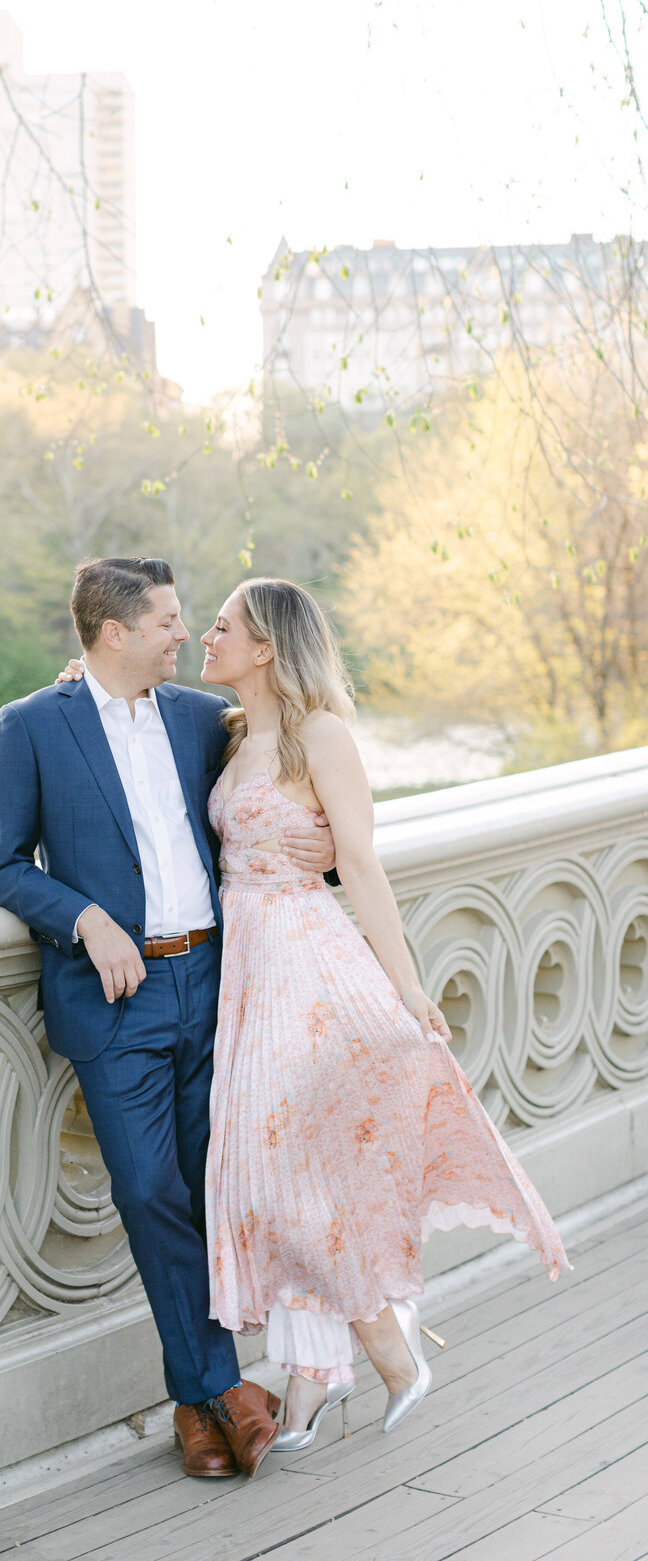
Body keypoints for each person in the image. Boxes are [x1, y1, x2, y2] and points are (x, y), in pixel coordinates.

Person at [0, 557, 336, 1480]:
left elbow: (288, 787)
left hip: (219, 983)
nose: (186, 635)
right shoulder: (33, 727)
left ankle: (203, 1404)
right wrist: (85, 919)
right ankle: (223, 1389)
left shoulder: (199, 719)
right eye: (169, 621)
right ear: (114, 634)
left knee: (219, 1188)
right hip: (116, 1002)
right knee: (148, 1192)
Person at [199, 577, 569, 1449]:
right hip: (246, 975)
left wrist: (405, 985)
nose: (206, 638)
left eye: (223, 627)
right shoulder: (229, 732)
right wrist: (80, 678)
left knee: (294, 1180)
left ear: (267, 647)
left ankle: (382, 1358)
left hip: (308, 966)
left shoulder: (320, 736)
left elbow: (359, 864)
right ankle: (319, 1377)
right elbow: (129, 701)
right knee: (265, 1174)